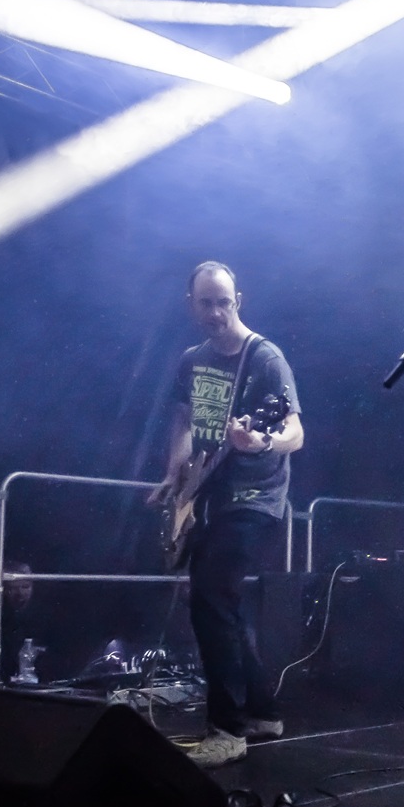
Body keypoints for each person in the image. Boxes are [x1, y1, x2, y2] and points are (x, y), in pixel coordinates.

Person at [148, 261, 304, 769]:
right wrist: (176, 473)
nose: (216, 312)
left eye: (224, 302)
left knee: (210, 597)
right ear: (190, 304)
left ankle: (227, 730)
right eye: (206, 303)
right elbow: (183, 418)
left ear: (239, 301)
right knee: (224, 604)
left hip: (255, 498)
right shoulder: (192, 360)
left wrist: (262, 441)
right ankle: (262, 712)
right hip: (208, 492)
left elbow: (295, 432)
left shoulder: (265, 358)